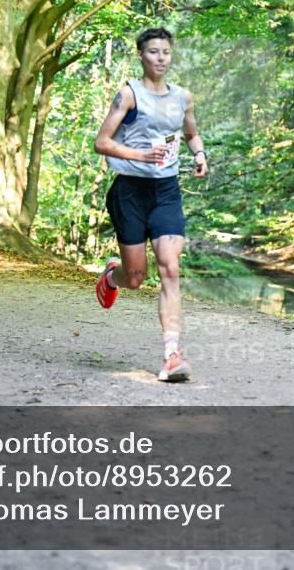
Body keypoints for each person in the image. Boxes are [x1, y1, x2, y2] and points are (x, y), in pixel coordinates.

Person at [93, 27, 209, 382]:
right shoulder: (129, 95)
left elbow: (190, 133)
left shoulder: (183, 98)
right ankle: (113, 276)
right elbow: (102, 142)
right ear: (141, 56)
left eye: (166, 52)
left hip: (166, 192)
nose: (161, 58)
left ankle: (172, 355)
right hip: (129, 192)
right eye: (154, 52)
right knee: (135, 278)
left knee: (170, 267)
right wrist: (140, 155)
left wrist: (200, 154)